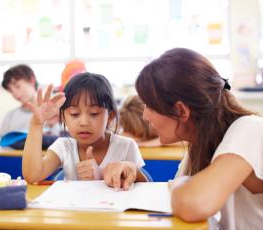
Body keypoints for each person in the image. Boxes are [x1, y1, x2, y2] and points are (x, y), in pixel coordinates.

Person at [103, 48, 263, 229]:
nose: (145, 116)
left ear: (181, 111)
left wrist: (181, 184)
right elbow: (171, 197)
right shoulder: (201, 144)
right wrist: (133, 171)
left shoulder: (249, 129)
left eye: (150, 107)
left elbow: (192, 202)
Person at [22, 72, 147, 185]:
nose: (84, 122)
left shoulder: (126, 146)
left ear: (110, 116)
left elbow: (145, 188)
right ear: (64, 117)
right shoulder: (64, 147)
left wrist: (124, 170)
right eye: (74, 114)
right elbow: (33, 176)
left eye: (94, 113)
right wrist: (36, 125)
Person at [0, 64, 60, 137]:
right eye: (11, 91)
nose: (15, 94)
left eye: (17, 86)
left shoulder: (54, 111)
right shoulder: (10, 116)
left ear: (32, 80)